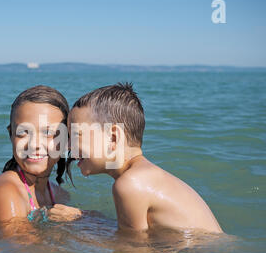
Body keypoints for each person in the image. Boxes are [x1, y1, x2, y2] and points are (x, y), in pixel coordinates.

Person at [68, 82, 223, 233]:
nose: (68, 146)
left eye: (75, 135)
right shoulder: (144, 176)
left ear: (113, 138)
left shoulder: (130, 184)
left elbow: (132, 252)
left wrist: (81, 220)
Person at [0, 85, 81, 235]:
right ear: (11, 134)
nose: (34, 144)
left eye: (48, 133)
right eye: (23, 132)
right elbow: (23, 251)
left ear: (67, 139)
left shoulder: (59, 194)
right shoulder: (7, 190)